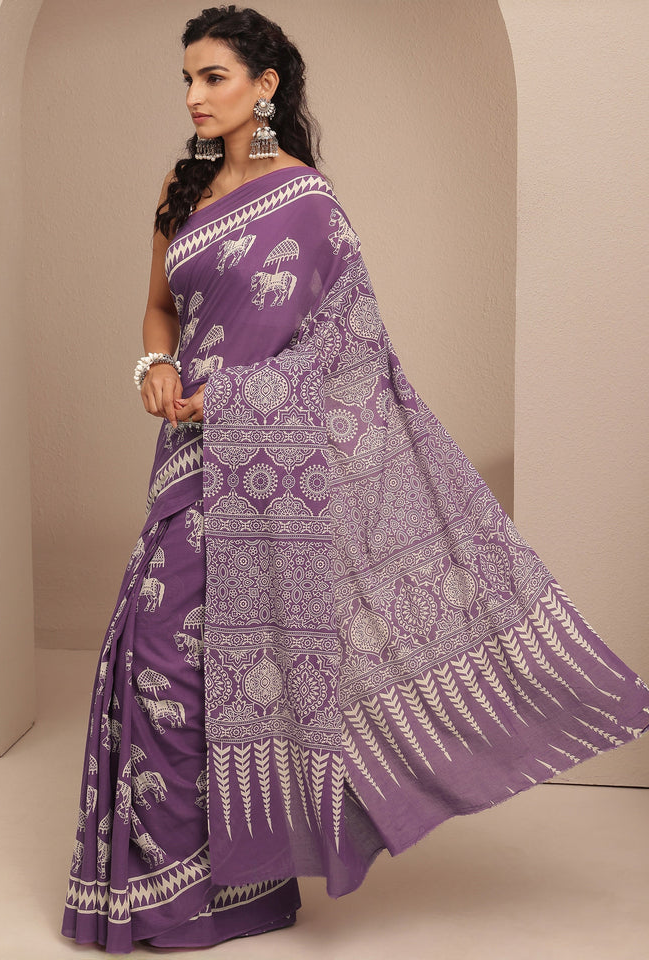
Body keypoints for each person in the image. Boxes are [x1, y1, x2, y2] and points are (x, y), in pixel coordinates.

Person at [62, 5, 649, 954]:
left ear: (265, 87)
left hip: (261, 467)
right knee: (158, 658)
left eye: (213, 77)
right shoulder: (182, 186)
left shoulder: (307, 202)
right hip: (186, 460)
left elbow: (350, 354)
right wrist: (154, 366)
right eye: (187, 79)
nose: (195, 96)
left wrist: (229, 398)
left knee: (205, 665)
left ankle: (224, 889)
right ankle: (179, 891)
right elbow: (159, 308)